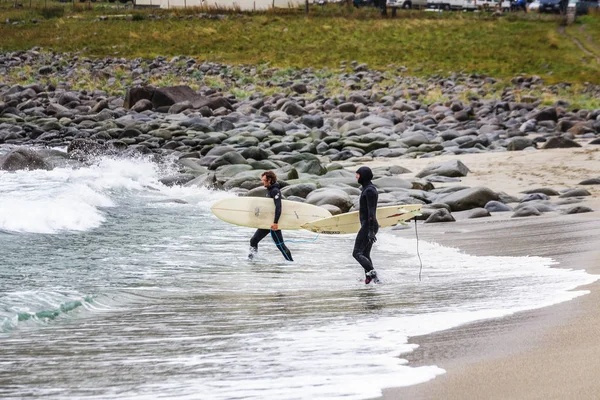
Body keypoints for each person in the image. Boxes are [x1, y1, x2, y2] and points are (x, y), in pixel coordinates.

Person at [248, 171, 293, 262]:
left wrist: (275, 223)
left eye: (264, 180)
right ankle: (252, 260)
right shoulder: (270, 190)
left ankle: (290, 262)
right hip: (267, 222)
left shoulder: (275, 191)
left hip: (273, 223)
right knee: (253, 240)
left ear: (270, 180)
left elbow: (278, 207)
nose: (263, 182)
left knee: (280, 245)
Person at [353, 166, 380, 284]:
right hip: (369, 225)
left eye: (358, 174)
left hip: (369, 226)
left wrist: (370, 231)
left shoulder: (370, 191)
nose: (356, 177)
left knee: (356, 253)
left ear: (363, 175)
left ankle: (374, 275)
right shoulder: (367, 189)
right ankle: (369, 279)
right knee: (364, 254)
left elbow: (371, 212)